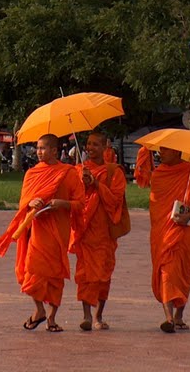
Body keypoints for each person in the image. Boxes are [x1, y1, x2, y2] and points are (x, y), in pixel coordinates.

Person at [0, 133, 84, 333]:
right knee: (32, 271)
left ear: (54, 150)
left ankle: (51, 318)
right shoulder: (32, 174)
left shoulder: (68, 173)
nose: (39, 152)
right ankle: (39, 309)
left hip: (58, 230)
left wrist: (62, 203)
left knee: (55, 275)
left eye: (43, 148)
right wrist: (31, 202)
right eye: (37, 148)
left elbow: (80, 204)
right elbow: (25, 201)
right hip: (38, 230)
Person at [147, 146, 190, 333]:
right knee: (166, 270)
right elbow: (155, 204)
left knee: (183, 273)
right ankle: (168, 318)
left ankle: (178, 316)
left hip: (185, 231)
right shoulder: (158, 174)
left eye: (165, 150)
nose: (160, 153)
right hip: (163, 231)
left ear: (178, 152)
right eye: (160, 150)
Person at [72, 131, 127, 331]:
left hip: (104, 233)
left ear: (105, 148)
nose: (90, 148)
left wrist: (96, 184)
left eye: (96, 144)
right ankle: (86, 315)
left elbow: (115, 201)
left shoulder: (114, 172)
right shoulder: (78, 170)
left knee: (103, 275)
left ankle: (98, 315)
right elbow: (75, 199)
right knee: (84, 274)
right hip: (84, 230)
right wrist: (82, 183)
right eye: (88, 144)